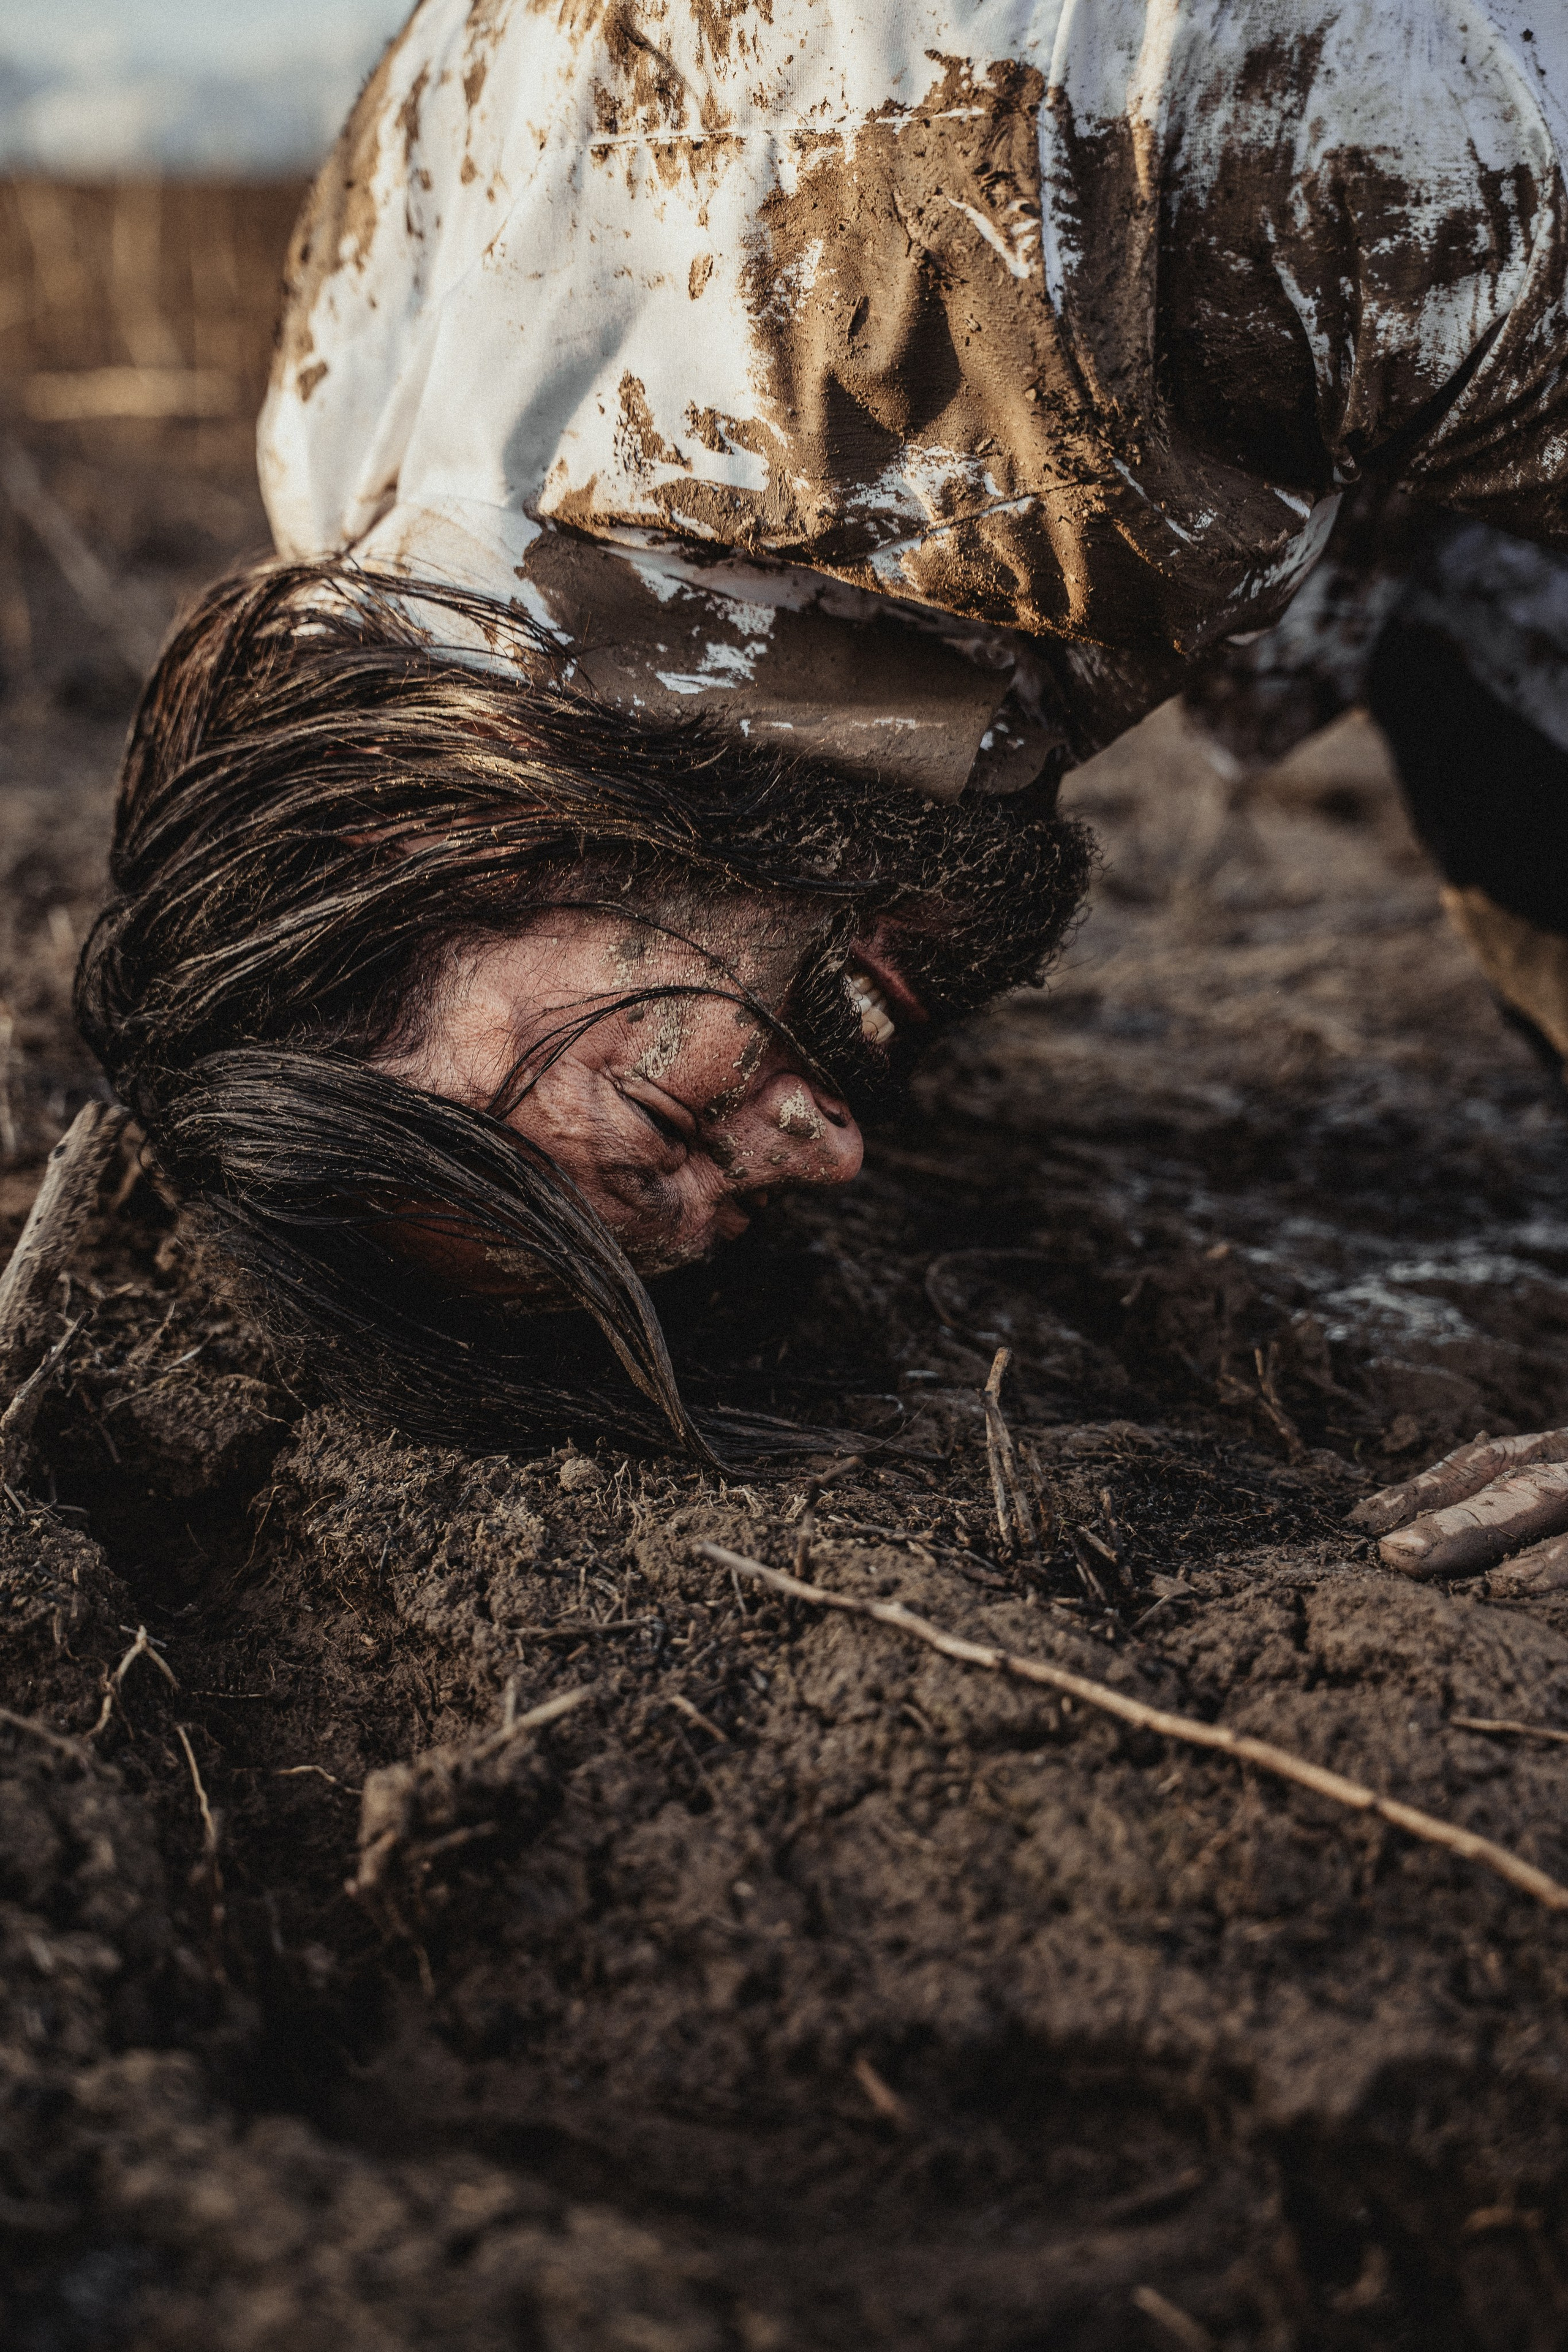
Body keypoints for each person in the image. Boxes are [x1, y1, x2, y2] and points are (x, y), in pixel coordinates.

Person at [77, 0, 1568, 1471]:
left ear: (413, 840)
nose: (832, 1152)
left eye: (666, 1115)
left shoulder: (1172, 153)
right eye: (745, 1197)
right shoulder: (350, 474)